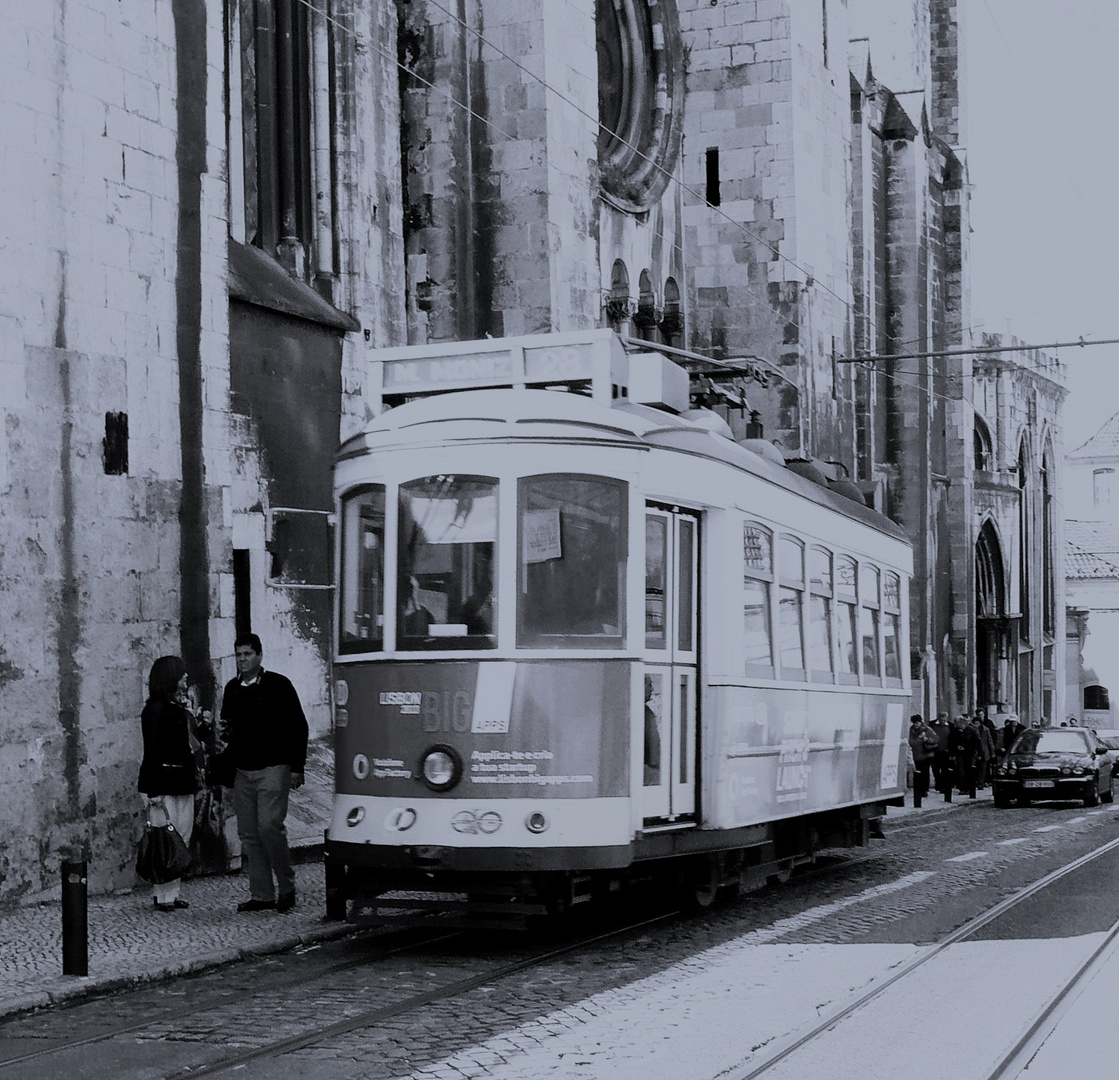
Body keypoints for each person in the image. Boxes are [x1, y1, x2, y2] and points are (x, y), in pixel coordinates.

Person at [219, 633, 308, 913]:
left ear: (259, 655)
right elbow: (228, 726)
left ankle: (287, 884)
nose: (242, 660)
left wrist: (297, 766)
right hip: (243, 770)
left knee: (269, 826)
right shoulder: (232, 689)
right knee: (249, 834)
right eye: (238, 655)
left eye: (247, 654)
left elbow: (298, 726)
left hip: (274, 766)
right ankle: (262, 895)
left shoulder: (279, 685)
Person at [138, 655, 209, 912]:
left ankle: (172, 892)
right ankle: (163, 895)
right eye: (181, 675)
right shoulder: (156, 710)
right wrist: (153, 791)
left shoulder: (176, 708)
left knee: (180, 837)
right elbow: (153, 751)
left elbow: (187, 745)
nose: (186, 679)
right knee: (165, 839)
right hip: (163, 783)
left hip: (181, 781)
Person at [908, 714, 937, 800]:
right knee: (918, 772)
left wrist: (927, 739)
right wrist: (920, 739)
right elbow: (911, 742)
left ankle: (924, 790)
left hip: (926, 754)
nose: (915, 724)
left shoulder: (927, 729)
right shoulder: (912, 730)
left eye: (917, 722)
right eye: (914, 723)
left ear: (921, 722)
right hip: (917, 754)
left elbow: (936, 739)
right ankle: (919, 790)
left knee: (925, 772)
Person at [930, 711, 953, 795]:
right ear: (938, 718)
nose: (943, 719)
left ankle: (943, 786)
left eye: (944, 718)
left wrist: (951, 750)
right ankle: (937, 783)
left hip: (945, 751)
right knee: (935, 768)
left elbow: (952, 738)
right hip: (934, 750)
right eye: (941, 717)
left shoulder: (950, 725)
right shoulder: (932, 724)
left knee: (945, 769)